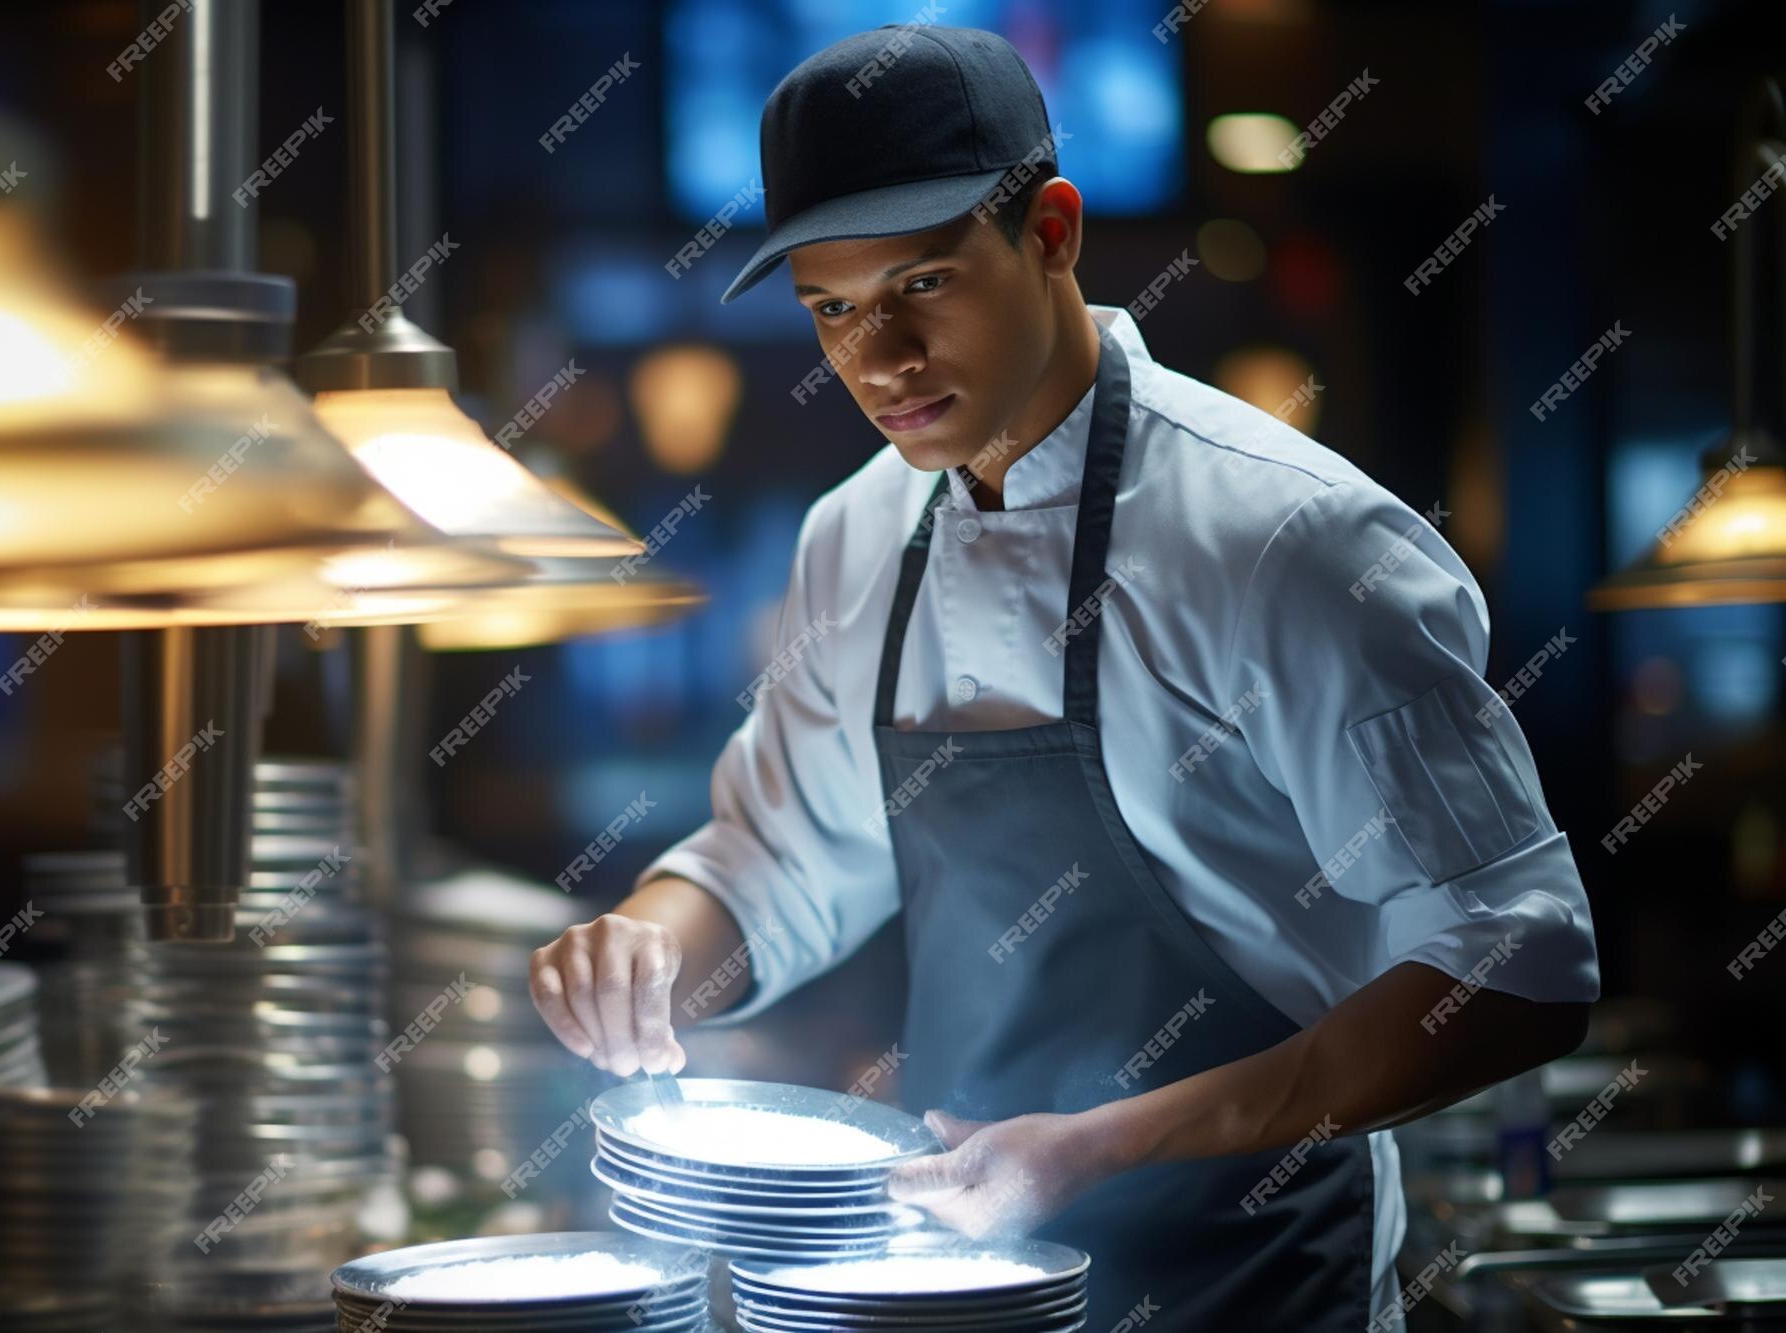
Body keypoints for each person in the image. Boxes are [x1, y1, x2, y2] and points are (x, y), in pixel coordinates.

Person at [528, 24, 1598, 1330]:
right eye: (832, 307)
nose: (880, 357)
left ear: (1051, 231)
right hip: (954, 1288)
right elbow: (778, 860)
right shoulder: (854, 537)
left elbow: (1515, 964)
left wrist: (1097, 1144)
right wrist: (649, 940)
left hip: (1253, 1285)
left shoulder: (1288, 541)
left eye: (924, 281)